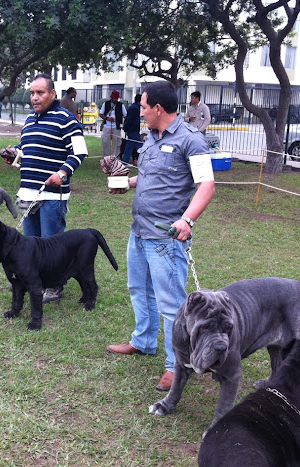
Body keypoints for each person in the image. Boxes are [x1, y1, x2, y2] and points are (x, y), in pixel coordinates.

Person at [106, 81, 216, 391]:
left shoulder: (192, 141)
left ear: (157, 108)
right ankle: (142, 341)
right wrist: (126, 183)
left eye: (142, 107)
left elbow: (206, 186)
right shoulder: (151, 138)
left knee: (172, 305)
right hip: (138, 232)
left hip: (166, 238)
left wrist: (187, 220)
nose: (140, 112)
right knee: (138, 289)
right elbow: (153, 174)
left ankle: (176, 364)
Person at [0, 73, 87, 303]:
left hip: (51, 195)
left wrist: (63, 173)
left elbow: (79, 152)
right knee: (30, 245)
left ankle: (55, 286)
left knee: (53, 245)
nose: (35, 97)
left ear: (52, 94)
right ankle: (34, 282)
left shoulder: (67, 119)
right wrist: (14, 153)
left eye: (40, 93)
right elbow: (26, 147)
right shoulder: (29, 120)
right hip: (28, 193)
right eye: (32, 93)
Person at [100, 90, 126, 158]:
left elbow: (125, 115)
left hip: (116, 126)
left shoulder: (121, 105)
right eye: (115, 98)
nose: (116, 100)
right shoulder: (105, 104)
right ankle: (107, 157)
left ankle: (116, 157)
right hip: (107, 126)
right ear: (112, 98)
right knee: (105, 142)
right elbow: (101, 114)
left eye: (117, 98)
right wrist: (107, 118)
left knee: (117, 143)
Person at [122, 94, 142, 164]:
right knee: (139, 145)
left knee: (129, 145)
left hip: (131, 129)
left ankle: (125, 160)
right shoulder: (135, 108)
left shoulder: (134, 107)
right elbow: (131, 119)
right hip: (133, 129)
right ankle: (142, 160)